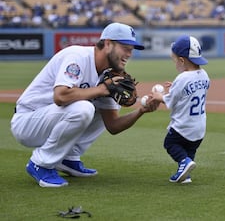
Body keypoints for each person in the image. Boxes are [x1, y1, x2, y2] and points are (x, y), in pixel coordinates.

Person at [10, 22, 160, 187]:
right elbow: (60, 96)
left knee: (96, 107)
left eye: (131, 49)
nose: (129, 53)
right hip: (28, 121)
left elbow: (113, 125)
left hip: (49, 119)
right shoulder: (78, 57)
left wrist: (141, 111)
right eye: (125, 47)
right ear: (108, 44)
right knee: (85, 108)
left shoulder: (110, 77)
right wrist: (102, 89)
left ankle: (68, 158)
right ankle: (41, 163)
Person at [151, 35, 210, 183]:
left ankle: (184, 163)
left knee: (170, 144)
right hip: (199, 127)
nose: (175, 63)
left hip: (182, 126)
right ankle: (185, 175)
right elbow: (190, 92)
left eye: (175, 59)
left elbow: (169, 101)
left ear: (182, 61)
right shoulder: (204, 75)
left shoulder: (182, 78)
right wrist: (176, 88)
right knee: (190, 150)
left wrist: (158, 95)